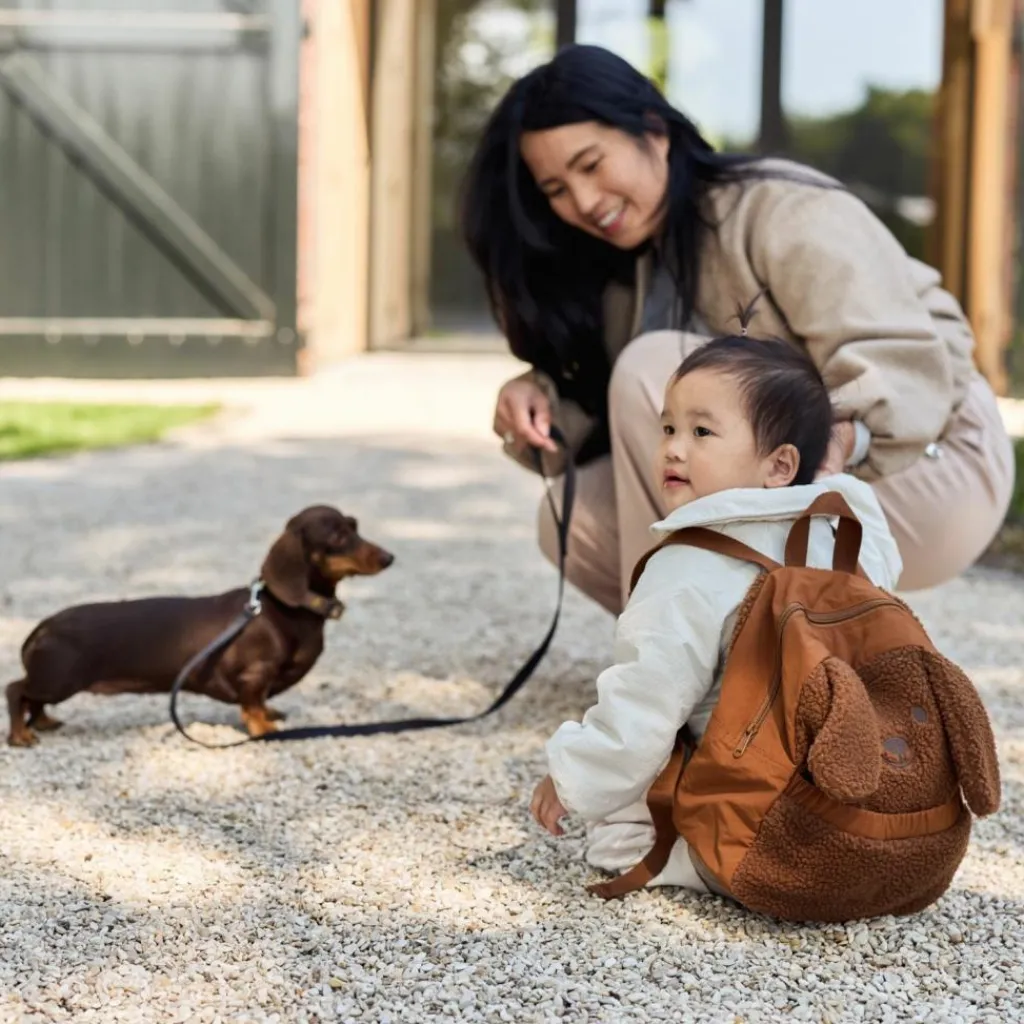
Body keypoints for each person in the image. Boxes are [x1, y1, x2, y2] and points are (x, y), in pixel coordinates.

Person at [461, 44, 1014, 613]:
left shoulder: (778, 206)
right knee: (573, 523)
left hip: (928, 462)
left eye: (591, 165)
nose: (582, 201)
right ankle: (725, 660)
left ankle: (664, 667)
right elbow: (625, 425)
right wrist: (542, 402)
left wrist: (819, 453)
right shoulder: (629, 269)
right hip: (793, 477)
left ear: (653, 130)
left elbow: (903, 363)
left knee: (665, 370)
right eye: (555, 190)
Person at [528, 331, 904, 890]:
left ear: (779, 465)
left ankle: (690, 861)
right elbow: (884, 563)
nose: (675, 448)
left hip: (757, 796)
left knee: (621, 811)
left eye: (702, 432)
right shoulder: (844, 528)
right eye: (669, 428)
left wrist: (574, 776)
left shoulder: (688, 567)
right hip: (854, 776)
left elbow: (643, 699)